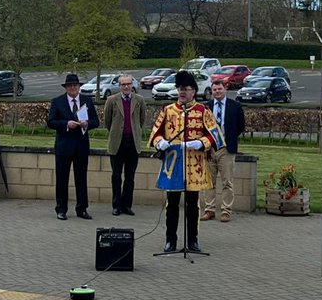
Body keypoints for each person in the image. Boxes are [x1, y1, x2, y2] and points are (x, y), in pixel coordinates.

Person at [149, 70, 219, 253]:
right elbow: (155, 134)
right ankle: (170, 240)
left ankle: (192, 241)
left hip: (194, 164)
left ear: (193, 91)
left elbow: (216, 136)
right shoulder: (168, 110)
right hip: (173, 164)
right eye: (180, 88)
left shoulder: (203, 111)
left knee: (192, 204)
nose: (182, 92)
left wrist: (201, 143)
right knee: (171, 203)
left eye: (186, 89)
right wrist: (160, 143)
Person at [46, 73, 100, 220]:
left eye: (75, 85)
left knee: (81, 179)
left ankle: (82, 209)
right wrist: (66, 124)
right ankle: (61, 209)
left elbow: (96, 121)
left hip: (81, 146)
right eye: (70, 86)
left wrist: (87, 124)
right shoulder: (57, 102)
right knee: (62, 179)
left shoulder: (86, 101)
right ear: (66, 88)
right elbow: (51, 122)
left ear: (79, 87)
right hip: (64, 146)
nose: (73, 88)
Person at [102, 74, 146, 216]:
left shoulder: (139, 100)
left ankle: (127, 205)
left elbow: (141, 120)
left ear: (132, 85)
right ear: (119, 86)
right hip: (117, 143)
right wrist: (116, 133)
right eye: (123, 84)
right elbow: (107, 121)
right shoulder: (111, 100)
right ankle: (116, 205)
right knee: (116, 176)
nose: (126, 87)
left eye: (128, 84)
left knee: (130, 176)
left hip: (132, 143)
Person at [203, 79, 245, 223]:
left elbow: (240, 126)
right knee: (209, 182)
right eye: (214, 90)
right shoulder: (206, 107)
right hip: (210, 149)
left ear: (225, 89)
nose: (217, 92)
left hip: (227, 149)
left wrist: (228, 139)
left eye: (219, 89)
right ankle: (209, 210)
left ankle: (226, 211)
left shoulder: (235, 106)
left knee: (227, 182)